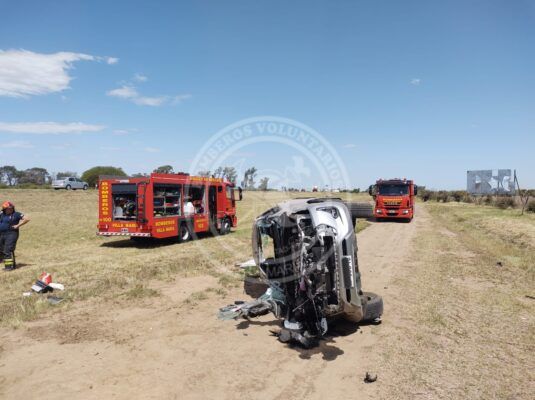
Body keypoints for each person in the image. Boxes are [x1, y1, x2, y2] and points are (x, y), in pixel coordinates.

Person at [0, 201, 30, 271]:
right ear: (4, 209)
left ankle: (9, 267)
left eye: (11, 208)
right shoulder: (2, 214)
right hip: (1, 234)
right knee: (1, 249)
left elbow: (27, 219)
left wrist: (18, 225)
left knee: (8, 250)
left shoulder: (16, 214)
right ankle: (9, 263)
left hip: (11, 234)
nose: (10, 209)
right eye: (8, 208)